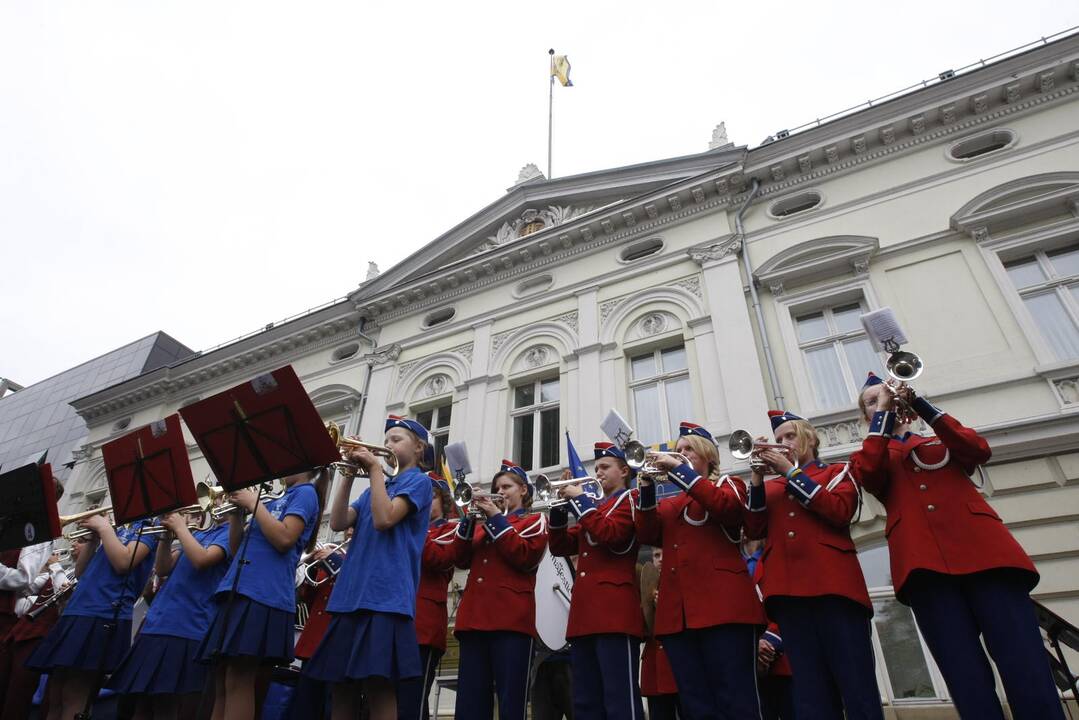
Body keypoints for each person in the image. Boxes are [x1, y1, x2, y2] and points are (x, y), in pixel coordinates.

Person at [852, 372, 1064, 720]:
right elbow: (870, 473)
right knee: (964, 676)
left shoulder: (938, 440)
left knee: (1025, 664)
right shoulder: (872, 452)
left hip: (988, 559)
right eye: (871, 402)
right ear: (866, 417)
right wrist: (883, 417)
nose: (882, 402)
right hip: (926, 572)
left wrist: (919, 402)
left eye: (885, 395)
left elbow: (978, 449)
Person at [743, 409, 882, 720]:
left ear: (810, 439)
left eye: (789, 437)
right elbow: (752, 530)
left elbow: (839, 510)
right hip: (790, 598)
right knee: (811, 696)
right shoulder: (770, 488)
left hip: (836, 592)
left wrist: (790, 473)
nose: (782, 444)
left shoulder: (837, 472)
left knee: (857, 689)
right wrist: (755, 474)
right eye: (778, 440)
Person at [303, 415, 434, 720]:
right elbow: (337, 522)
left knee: (379, 687)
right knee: (341, 688)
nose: (388, 445)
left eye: (396, 439)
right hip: (350, 597)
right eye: (386, 440)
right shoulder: (377, 486)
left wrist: (374, 468)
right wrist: (348, 475)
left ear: (418, 448)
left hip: (385, 597)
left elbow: (385, 518)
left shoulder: (419, 481)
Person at [635, 421, 764, 720]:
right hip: (679, 618)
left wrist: (682, 472)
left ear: (708, 456)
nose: (680, 454)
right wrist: (645, 486)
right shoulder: (672, 503)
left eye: (688, 449)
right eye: (678, 450)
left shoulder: (729, 485)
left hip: (724, 611)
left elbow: (728, 510)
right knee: (696, 706)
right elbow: (646, 533)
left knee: (737, 701)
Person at [197, 468, 327, 720]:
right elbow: (237, 548)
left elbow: (284, 538)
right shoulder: (275, 499)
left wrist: (253, 504)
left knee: (239, 679)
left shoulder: (306, 493)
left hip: (264, 593)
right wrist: (237, 515)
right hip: (239, 588)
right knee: (223, 681)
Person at [26, 508, 159, 720]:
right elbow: (80, 571)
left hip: (104, 613)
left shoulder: (149, 527)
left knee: (75, 696)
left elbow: (124, 562)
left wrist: (104, 528)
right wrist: (92, 539)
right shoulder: (116, 526)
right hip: (78, 609)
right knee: (56, 694)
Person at [548, 442, 645, 719]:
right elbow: (560, 546)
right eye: (596, 468)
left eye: (605, 467)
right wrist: (558, 507)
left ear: (624, 471)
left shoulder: (631, 499)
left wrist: (580, 500)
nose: (598, 473)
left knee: (619, 698)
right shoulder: (595, 506)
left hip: (614, 612)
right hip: (584, 613)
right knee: (586, 701)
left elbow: (611, 535)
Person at [107, 506, 231, 719]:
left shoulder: (231, 534)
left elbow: (201, 560)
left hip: (188, 628)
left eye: (223, 498)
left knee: (168, 706)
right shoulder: (199, 533)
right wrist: (165, 537)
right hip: (157, 623)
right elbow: (163, 568)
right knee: (141, 705)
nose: (217, 503)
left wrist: (181, 528)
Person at [451, 460, 548, 720]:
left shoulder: (535, 521)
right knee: (470, 705)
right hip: (474, 622)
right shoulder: (482, 527)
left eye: (507, 486)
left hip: (511, 623)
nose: (500, 491)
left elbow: (525, 556)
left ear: (523, 490)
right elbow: (459, 560)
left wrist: (495, 516)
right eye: (497, 487)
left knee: (510, 703)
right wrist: (468, 521)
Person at [396, 473, 457, 720]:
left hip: (424, 625)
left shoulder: (450, 529)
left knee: (412, 700)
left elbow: (438, 559)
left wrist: (414, 523)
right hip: (395, 617)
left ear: (443, 502)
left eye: (430, 497)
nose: (423, 501)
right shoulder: (404, 527)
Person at [0, 531, 79, 720]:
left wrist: (54, 565)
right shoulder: (68, 570)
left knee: (19, 693)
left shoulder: (74, 572)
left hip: (40, 636)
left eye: (82, 542)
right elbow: (29, 587)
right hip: (20, 632)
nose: (75, 544)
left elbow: (65, 597)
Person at [638, 548, 680, 720]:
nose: (661, 559)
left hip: (678, 662)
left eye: (665, 554)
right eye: (657, 555)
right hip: (654, 665)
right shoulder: (645, 584)